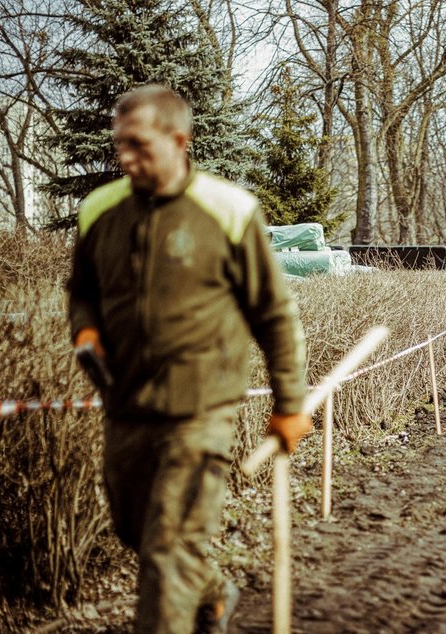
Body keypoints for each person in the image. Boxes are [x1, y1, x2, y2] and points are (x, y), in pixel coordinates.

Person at [68, 84, 312, 633]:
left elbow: (274, 314)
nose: (123, 158)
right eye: (118, 144)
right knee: (137, 531)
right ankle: (212, 592)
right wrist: (84, 328)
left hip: (201, 409)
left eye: (137, 145)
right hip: (125, 401)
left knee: (168, 550)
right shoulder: (100, 211)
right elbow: (81, 289)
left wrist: (289, 402)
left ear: (180, 141)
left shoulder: (227, 211)